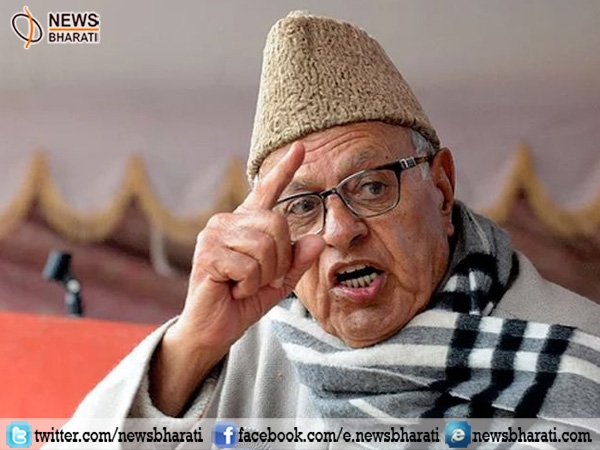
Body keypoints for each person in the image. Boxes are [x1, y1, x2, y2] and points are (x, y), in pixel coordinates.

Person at [49, 11, 600, 449]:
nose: (340, 230)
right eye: (302, 206)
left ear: (441, 187)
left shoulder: (578, 353)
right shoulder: (237, 355)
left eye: (373, 187)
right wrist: (191, 343)